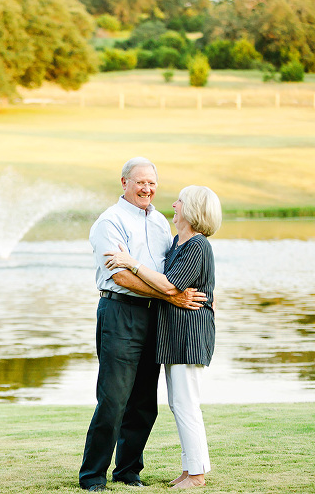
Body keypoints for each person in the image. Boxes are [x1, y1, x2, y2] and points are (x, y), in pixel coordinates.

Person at [79, 158, 207, 492]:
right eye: (140, 182)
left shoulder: (162, 223)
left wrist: (167, 295)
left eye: (152, 183)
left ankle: (128, 470)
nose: (147, 189)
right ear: (124, 182)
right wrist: (169, 295)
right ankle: (92, 476)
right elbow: (119, 274)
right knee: (113, 399)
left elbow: (167, 272)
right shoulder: (110, 222)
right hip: (120, 312)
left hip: (155, 316)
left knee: (144, 402)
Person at [104, 185, 222, 490]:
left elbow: (170, 285)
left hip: (189, 337)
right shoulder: (178, 243)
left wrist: (130, 262)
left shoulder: (197, 246)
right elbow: (171, 288)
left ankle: (196, 475)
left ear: (192, 209)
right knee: (179, 403)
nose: (173, 204)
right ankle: (189, 469)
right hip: (175, 336)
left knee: (185, 404)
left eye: (179, 201)